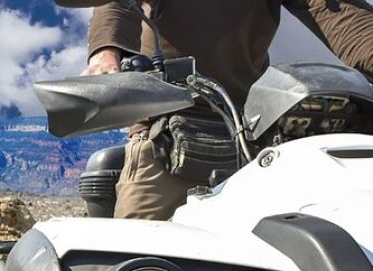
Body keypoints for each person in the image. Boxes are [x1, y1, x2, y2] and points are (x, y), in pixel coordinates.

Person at [84, 0, 373, 220]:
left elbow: (342, 17)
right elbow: (117, 6)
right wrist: (106, 54)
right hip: (165, 134)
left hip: (252, 134)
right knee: (136, 269)